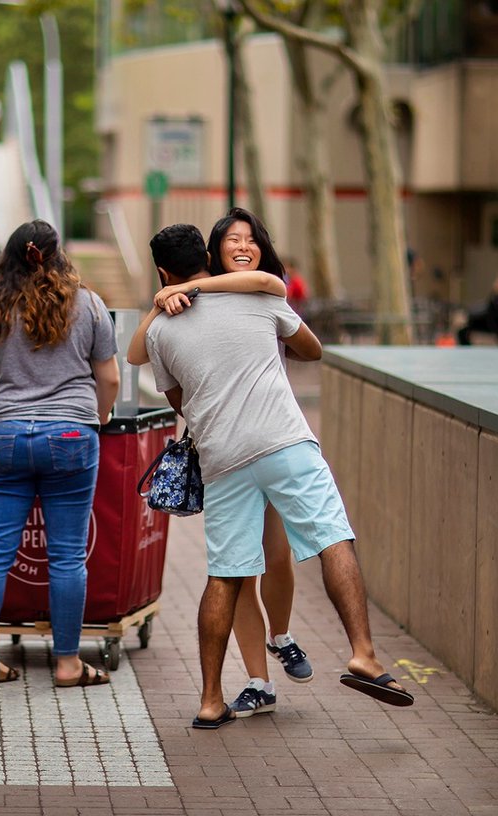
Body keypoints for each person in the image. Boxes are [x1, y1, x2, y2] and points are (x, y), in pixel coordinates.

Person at [132, 223, 413, 728]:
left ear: (162, 273)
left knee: (225, 575)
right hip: (284, 442)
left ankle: (211, 700)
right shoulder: (260, 299)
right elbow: (312, 349)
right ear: (209, 256)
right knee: (332, 539)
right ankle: (363, 654)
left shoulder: (160, 330)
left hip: (222, 461)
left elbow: (183, 402)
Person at [133, 209, 311, 720]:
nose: (243, 245)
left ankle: (283, 635)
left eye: (250, 239)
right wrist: (159, 302)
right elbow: (135, 354)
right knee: (238, 571)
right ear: (210, 253)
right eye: (232, 239)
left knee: (275, 555)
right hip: (227, 450)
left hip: (271, 438)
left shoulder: (257, 292)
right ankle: (259, 680)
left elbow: (269, 284)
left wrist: (197, 289)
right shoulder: (177, 315)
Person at [0, 219, 120, 688]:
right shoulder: (88, 304)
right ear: (58, 254)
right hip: (70, 436)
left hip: (5, 435)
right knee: (67, 557)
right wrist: (99, 416)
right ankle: (68, 664)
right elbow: (108, 378)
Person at [456, 271, 498, 345]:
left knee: (464, 328)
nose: (497, 284)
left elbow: (492, 313)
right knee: (463, 328)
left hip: (495, 328)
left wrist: (471, 316)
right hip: (489, 323)